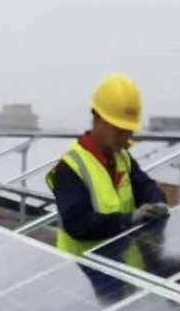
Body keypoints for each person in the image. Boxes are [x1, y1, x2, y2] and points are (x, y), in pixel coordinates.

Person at [45, 73, 168, 256]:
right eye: (120, 130)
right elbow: (78, 224)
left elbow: (145, 186)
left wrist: (157, 203)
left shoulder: (123, 158)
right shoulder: (70, 168)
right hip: (81, 270)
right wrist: (128, 221)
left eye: (129, 132)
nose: (127, 140)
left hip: (118, 264)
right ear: (97, 119)